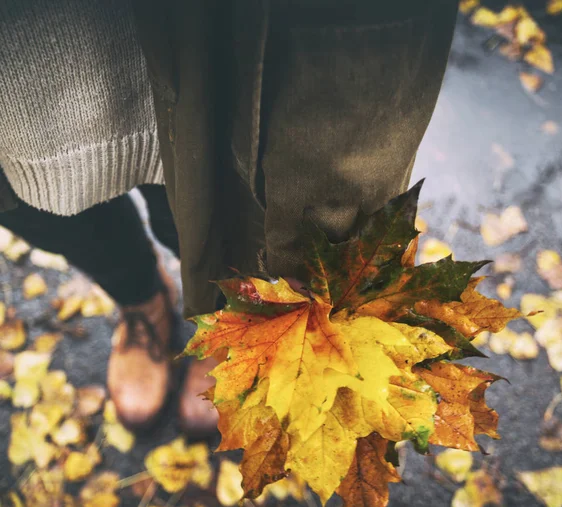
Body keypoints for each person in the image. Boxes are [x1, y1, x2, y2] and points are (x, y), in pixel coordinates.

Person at [0, 0, 458, 436]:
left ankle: (222, 325)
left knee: (205, 211)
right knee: (59, 213)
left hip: (200, 53)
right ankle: (143, 303)